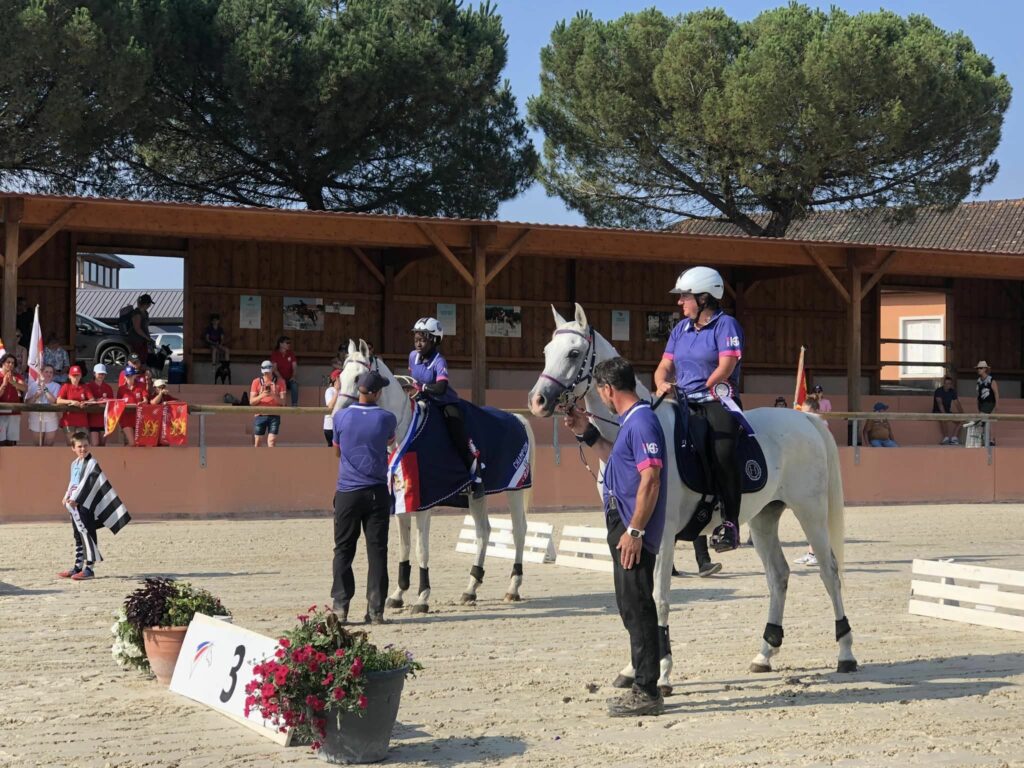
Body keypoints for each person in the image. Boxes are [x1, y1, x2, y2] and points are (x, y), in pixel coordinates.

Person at [564, 357, 666, 717]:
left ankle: (647, 689)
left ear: (607, 389)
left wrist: (635, 531)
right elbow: (615, 459)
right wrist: (585, 432)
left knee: (638, 608)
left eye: (601, 392)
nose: (601, 398)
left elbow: (651, 478)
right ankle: (645, 682)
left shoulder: (642, 423)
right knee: (631, 607)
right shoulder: (630, 424)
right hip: (624, 527)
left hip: (631, 529)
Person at [653, 266, 744, 552]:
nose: (680, 302)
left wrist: (702, 386)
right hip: (682, 401)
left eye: (685, 297)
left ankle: (731, 522)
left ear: (704, 298)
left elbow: (726, 365)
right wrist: (660, 382)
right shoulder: (680, 329)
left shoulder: (725, 324)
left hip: (716, 401)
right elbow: (665, 365)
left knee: (724, 452)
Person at [331, 369, 397, 625]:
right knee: (377, 551)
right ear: (378, 393)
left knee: (343, 549)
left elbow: (337, 452)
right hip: (376, 491)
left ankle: (340, 606)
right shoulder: (386, 418)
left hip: (348, 490)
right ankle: (376, 609)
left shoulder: (341, 417)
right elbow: (390, 444)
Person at [409, 317, 484, 499]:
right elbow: (414, 382)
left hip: (445, 403)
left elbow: (441, 389)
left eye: (423, 339)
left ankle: (477, 479)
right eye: (416, 338)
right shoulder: (412, 356)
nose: (418, 343)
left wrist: (422, 388)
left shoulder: (439, 361)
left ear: (434, 340)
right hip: (423, 401)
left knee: (459, 438)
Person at [251, 360, 287, 447]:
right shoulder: (256, 382)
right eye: (265, 372)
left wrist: (273, 395)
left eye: (268, 372)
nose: (266, 374)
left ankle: (271, 459)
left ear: (272, 370)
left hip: (274, 415)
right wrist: (262, 395)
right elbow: (251, 402)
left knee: (272, 441)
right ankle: (257, 459)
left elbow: (283, 402)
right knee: (258, 441)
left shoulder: (280, 382)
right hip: (260, 415)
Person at [25, 364, 61, 446]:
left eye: (51, 372)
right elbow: (27, 402)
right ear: (41, 373)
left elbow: (54, 401)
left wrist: (44, 389)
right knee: (37, 444)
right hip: (36, 417)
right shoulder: (33, 385)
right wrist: (36, 395)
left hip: (51, 417)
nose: (48, 374)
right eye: (46, 372)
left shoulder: (56, 386)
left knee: (49, 444)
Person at [57, 365, 90, 445]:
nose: (75, 378)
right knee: (71, 445)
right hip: (69, 420)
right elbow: (58, 400)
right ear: (69, 376)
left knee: (82, 444)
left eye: (77, 375)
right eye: (73, 375)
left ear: (81, 376)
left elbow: (92, 399)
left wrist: (85, 403)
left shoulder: (84, 387)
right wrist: (71, 402)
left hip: (82, 420)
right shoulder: (66, 386)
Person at [117, 366, 149, 446]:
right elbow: (118, 403)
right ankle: (123, 458)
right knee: (132, 443)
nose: (129, 378)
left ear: (134, 375)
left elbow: (146, 400)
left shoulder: (141, 386)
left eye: (131, 375)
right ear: (125, 377)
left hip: (139, 418)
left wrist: (142, 403)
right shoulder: (121, 389)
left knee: (140, 444)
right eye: (127, 376)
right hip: (126, 419)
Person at [0, 353, 27, 446]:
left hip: (14, 413)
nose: (11, 364)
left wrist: (13, 382)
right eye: (8, 362)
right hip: (1, 413)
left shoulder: (17, 376)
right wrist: (4, 384)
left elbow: (24, 388)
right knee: (1, 441)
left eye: (13, 363)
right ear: (2, 363)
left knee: (11, 442)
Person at [85, 364, 114, 447]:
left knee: (102, 444)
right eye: (99, 373)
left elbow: (112, 402)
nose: (101, 376)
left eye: (103, 374)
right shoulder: (88, 386)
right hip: (92, 419)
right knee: (95, 444)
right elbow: (87, 401)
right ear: (94, 374)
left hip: (104, 420)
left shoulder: (108, 387)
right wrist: (98, 402)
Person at [934, 375, 964, 445]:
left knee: (962, 419)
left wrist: (963, 414)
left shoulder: (952, 391)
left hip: (948, 412)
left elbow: (957, 404)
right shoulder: (938, 391)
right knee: (943, 418)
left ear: (951, 384)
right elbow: (940, 404)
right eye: (946, 383)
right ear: (943, 384)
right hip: (938, 412)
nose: (948, 385)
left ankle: (954, 438)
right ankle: (946, 438)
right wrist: (945, 415)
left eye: (949, 383)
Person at [271, 336, 299, 406]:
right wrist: (280, 378)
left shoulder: (291, 354)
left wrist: (293, 377)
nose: (289, 344)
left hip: (289, 379)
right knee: (277, 385)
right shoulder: (275, 354)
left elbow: (295, 367)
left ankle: (294, 405)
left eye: (290, 343)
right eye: (287, 343)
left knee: (294, 385)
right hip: (278, 379)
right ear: (281, 344)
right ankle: (279, 404)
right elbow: (274, 369)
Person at [127, 294, 156, 361]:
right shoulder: (137, 313)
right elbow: (137, 328)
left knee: (143, 359)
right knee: (136, 360)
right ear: (146, 303)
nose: (150, 305)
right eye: (149, 303)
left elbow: (145, 327)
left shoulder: (145, 313)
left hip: (143, 341)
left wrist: (148, 338)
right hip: (136, 341)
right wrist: (147, 338)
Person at [976, 361, 998, 446]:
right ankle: (991, 440)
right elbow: (978, 393)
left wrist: (997, 404)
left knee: (981, 420)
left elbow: (996, 392)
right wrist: (977, 403)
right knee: (988, 421)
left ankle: (981, 439)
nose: (979, 370)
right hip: (982, 403)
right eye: (978, 368)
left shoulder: (991, 380)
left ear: (985, 369)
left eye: (981, 368)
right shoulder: (978, 381)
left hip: (989, 402)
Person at [324, 369, 341, 447]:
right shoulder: (330, 390)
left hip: (342, 426)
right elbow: (330, 406)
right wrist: (337, 391)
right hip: (330, 427)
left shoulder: (345, 391)